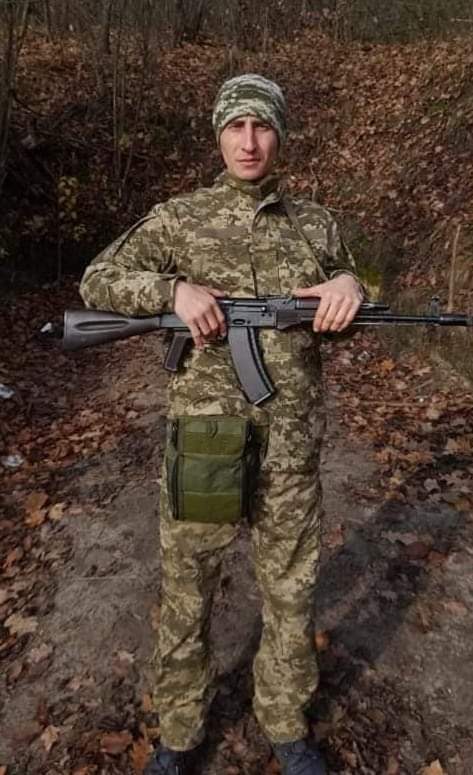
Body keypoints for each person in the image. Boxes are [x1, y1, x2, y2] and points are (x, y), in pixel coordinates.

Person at [80, 74, 363, 775]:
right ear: (218, 134)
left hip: (290, 447)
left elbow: (351, 300)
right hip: (205, 444)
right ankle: (178, 735)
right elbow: (98, 278)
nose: (248, 141)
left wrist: (351, 287)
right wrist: (171, 290)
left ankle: (285, 724)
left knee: (291, 593)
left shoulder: (316, 223)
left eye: (261, 126)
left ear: (279, 135)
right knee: (188, 593)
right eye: (236, 126)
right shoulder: (179, 218)